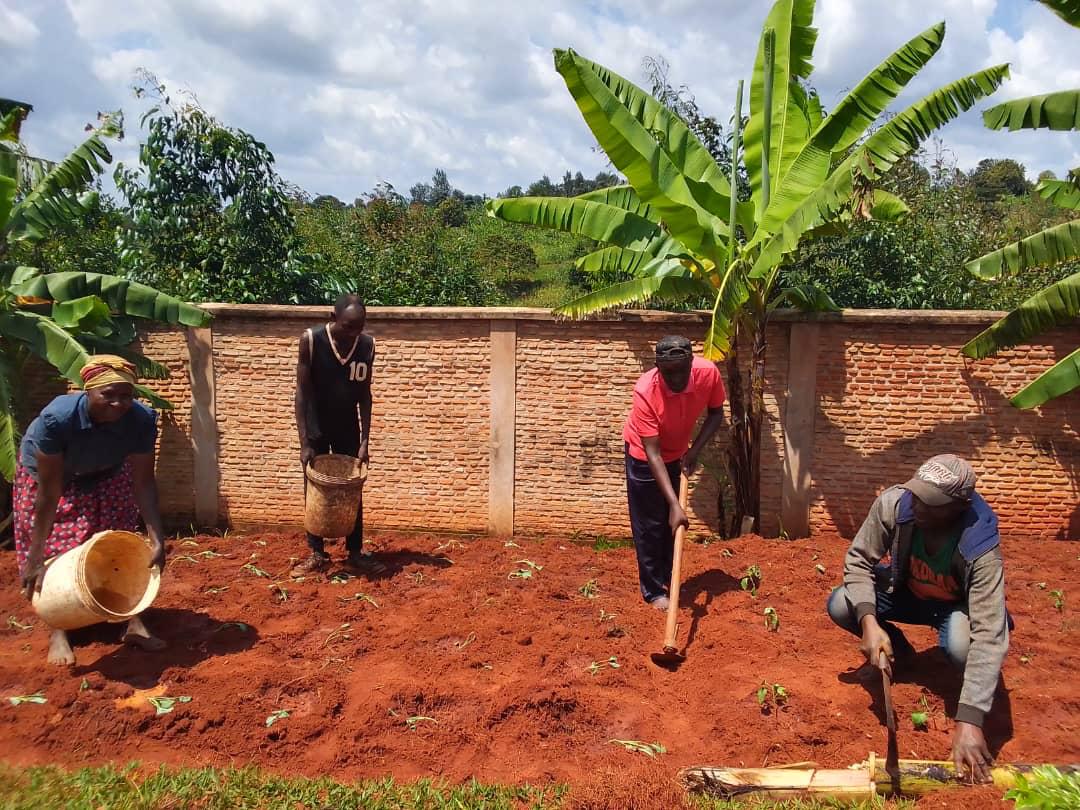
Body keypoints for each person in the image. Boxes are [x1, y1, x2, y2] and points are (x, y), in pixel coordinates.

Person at [826, 454, 1011, 783]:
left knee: (961, 645)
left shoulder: (980, 545)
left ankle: (967, 691)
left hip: (955, 607)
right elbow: (858, 562)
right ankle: (901, 654)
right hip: (906, 592)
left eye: (932, 503)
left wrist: (969, 722)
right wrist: (870, 623)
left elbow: (989, 633)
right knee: (843, 603)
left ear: (959, 507)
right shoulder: (896, 505)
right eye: (917, 495)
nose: (918, 506)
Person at [15, 355, 167, 666]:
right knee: (61, 546)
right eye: (107, 395)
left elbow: (143, 483)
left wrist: (157, 537)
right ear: (88, 391)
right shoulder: (57, 419)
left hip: (107, 473)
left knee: (119, 544)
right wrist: (36, 551)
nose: (118, 403)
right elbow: (50, 492)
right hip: (54, 479)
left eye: (126, 395)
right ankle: (59, 629)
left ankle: (133, 622)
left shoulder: (140, 420)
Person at [622, 335, 726, 609]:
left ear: (692, 362)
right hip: (645, 457)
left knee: (670, 527)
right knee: (650, 525)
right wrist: (674, 504)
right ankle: (654, 590)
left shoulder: (707, 373)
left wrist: (694, 451)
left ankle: (669, 578)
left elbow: (716, 413)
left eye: (682, 371)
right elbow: (653, 454)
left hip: (678, 453)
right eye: (669, 373)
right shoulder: (646, 390)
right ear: (657, 366)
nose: (677, 379)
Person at [292, 294, 385, 577]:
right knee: (314, 487)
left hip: (347, 424)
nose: (353, 332)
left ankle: (355, 552)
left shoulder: (367, 346)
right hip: (316, 423)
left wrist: (365, 439)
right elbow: (301, 392)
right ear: (333, 319)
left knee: (352, 487)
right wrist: (305, 441)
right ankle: (317, 553)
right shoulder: (311, 341)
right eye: (348, 326)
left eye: (359, 326)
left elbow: (365, 395)